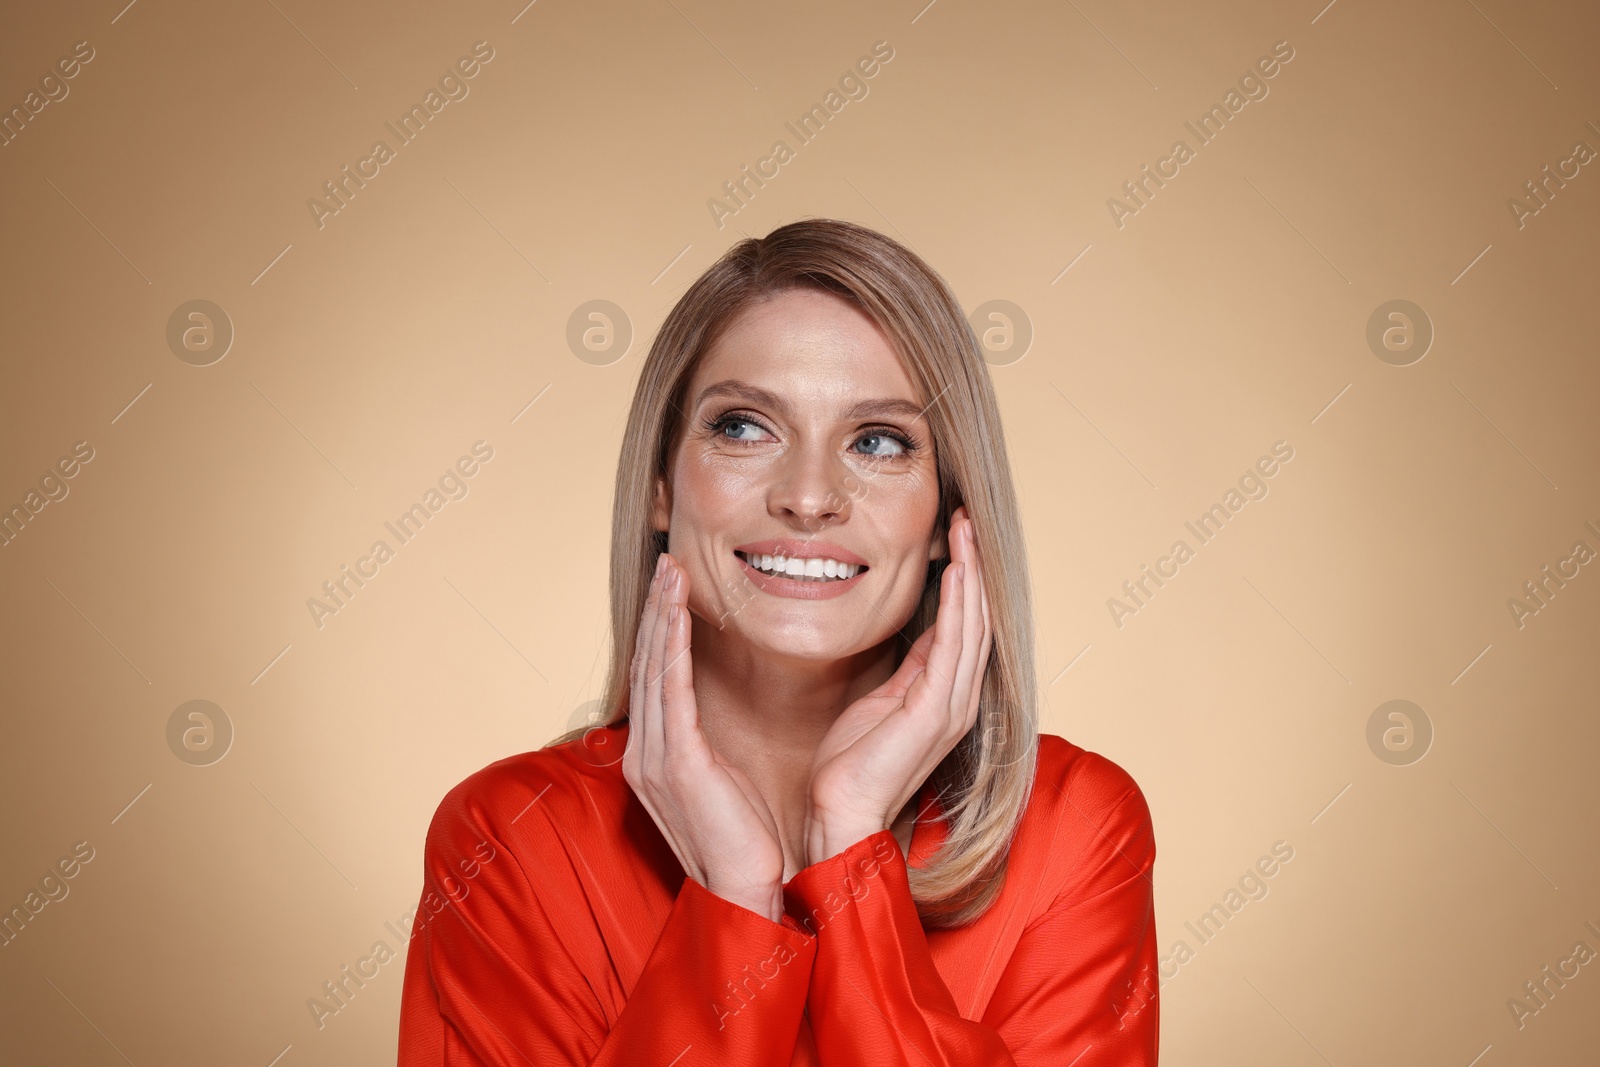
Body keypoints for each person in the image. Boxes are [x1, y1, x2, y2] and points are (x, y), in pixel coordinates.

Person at [397, 218, 1159, 1065]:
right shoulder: (510, 840)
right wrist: (734, 900)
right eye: (744, 426)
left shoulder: (1075, 825)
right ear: (660, 485)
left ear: (949, 514)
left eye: (877, 441)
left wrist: (850, 841)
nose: (808, 495)